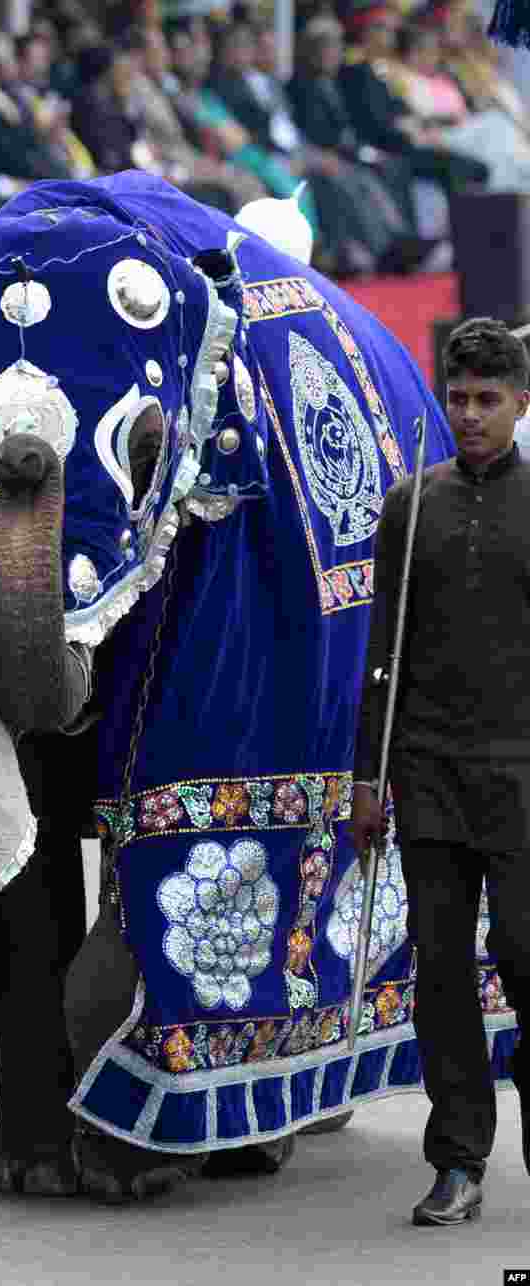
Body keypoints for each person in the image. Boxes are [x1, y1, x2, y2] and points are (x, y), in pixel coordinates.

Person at [352, 316, 530, 1227]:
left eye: (487, 401)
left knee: (528, 959)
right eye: (457, 399)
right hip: (425, 775)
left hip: (523, 779)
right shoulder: (408, 505)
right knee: (439, 972)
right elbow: (382, 650)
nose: (470, 416)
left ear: (520, 405)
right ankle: (457, 1157)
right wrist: (364, 780)